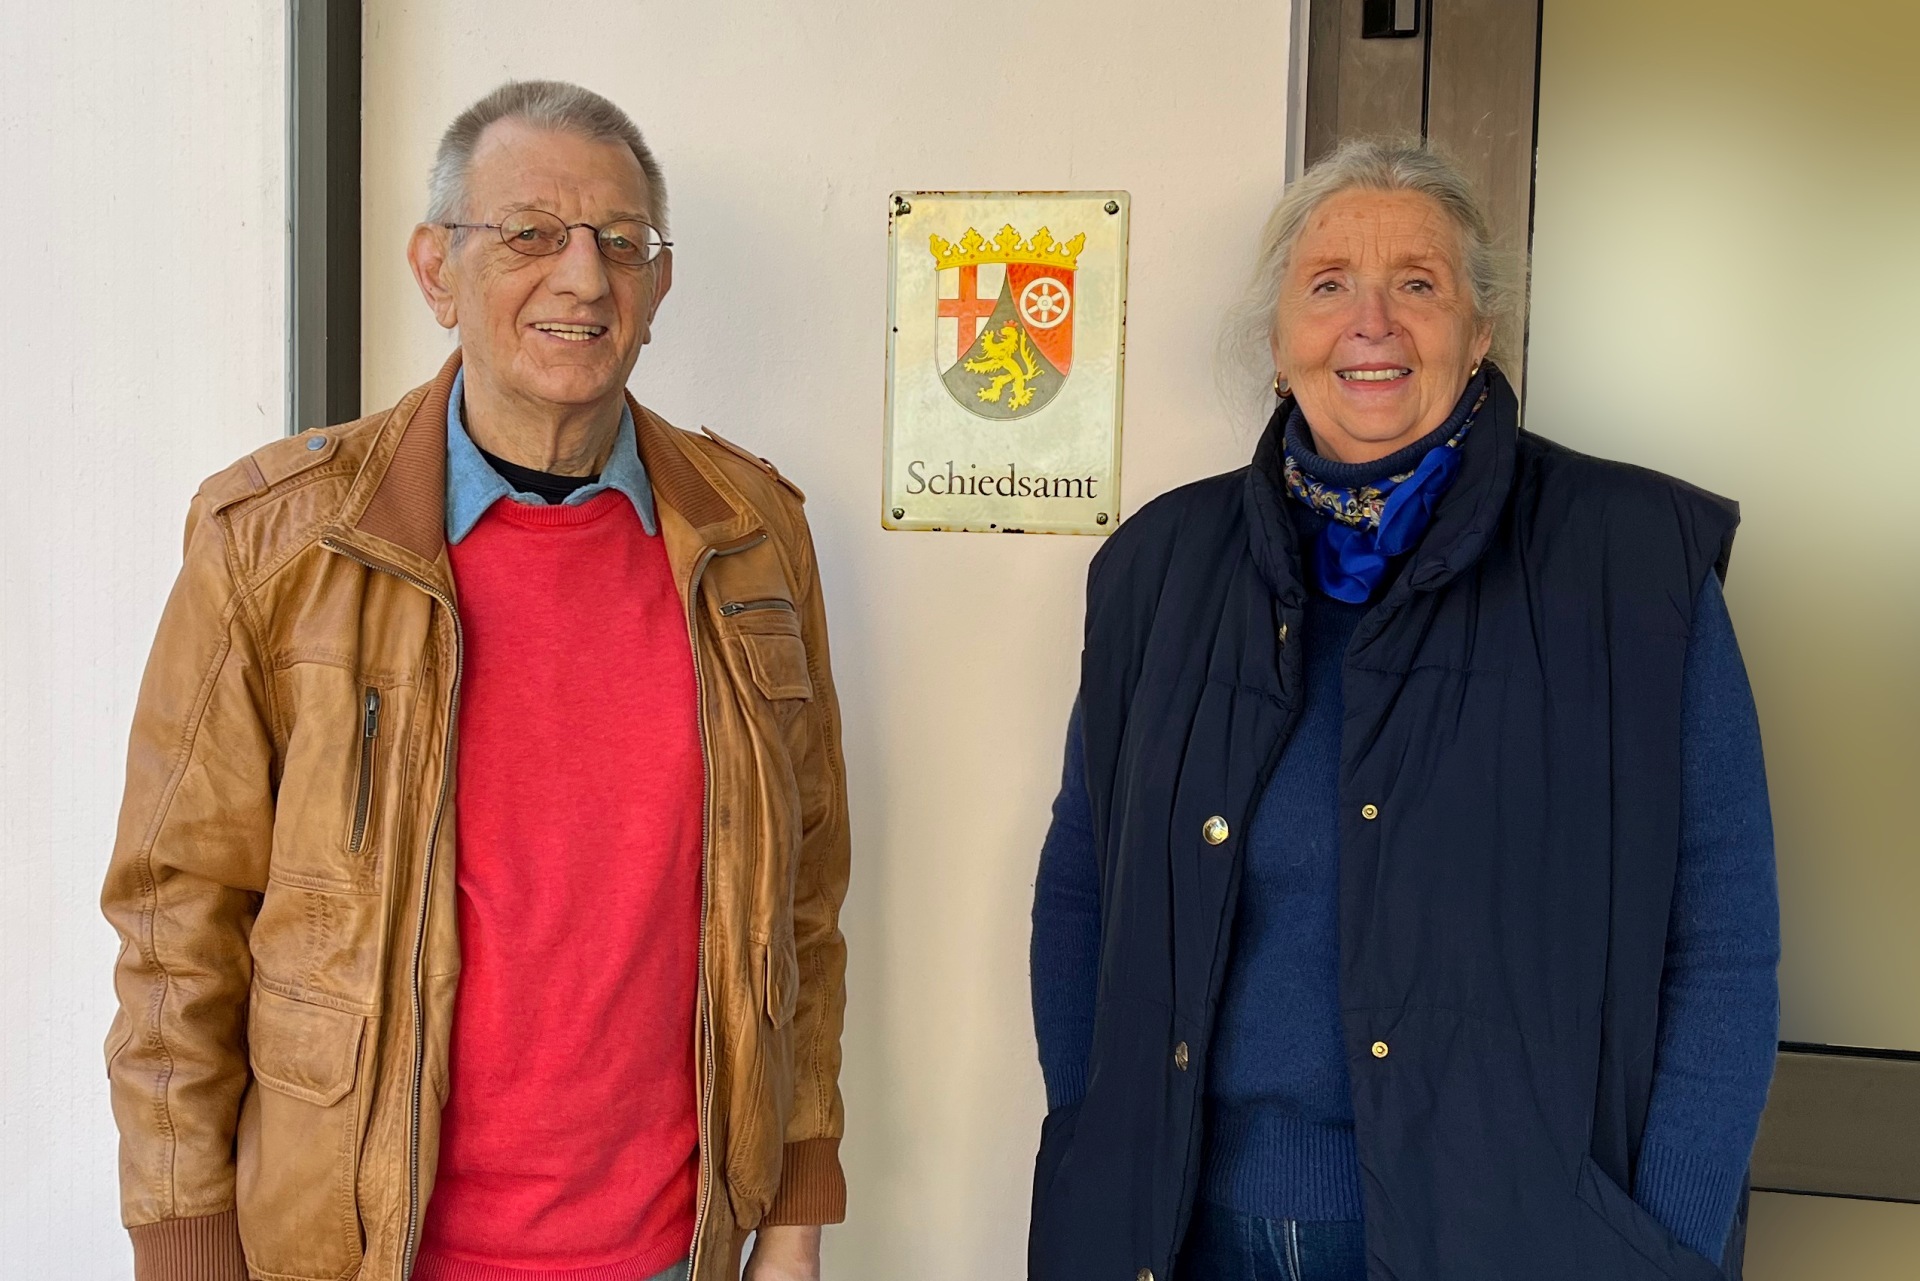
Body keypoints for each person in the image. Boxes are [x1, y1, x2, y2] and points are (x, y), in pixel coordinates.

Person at [101, 81, 848, 1281]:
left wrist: (795, 1217)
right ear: (435, 270)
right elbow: (176, 928)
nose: (583, 278)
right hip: (361, 1256)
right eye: (530, 234)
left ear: (658, 286)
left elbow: (800, 902)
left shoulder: (751, 533)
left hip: (674, 1253)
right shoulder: (275, 543)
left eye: (621, 243)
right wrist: (185, 1253)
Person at [1028, 140, 1779, 1281]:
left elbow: (1722, 943)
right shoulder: (1160, 569)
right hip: (1181, 1233)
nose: (1370, 322)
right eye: (1328, 284)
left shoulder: (1632, 569)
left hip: (1518, 1242)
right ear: (1279, 338)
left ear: (1479, 332)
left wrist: (1659, 1243)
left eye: (1417, 284)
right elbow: (1085, 882)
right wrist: (1099, 1134)